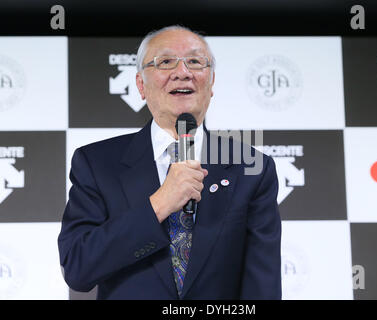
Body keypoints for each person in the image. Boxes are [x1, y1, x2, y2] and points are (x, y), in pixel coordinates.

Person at [58, 25, 282, 300]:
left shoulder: (251, 168)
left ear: (211, 83)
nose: (182, 72)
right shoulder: (96, 163)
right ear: (141, 85)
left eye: (195, 62)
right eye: (165, 62)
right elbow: (79, 269)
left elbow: (263, 286)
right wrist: (160, 204)